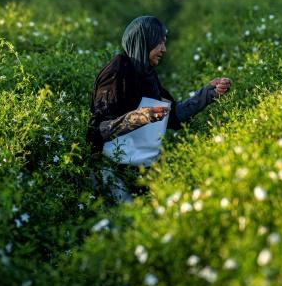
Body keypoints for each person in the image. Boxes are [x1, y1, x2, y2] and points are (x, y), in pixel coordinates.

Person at [87, 15, 231, 201]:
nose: (164, 49)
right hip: (112, 169)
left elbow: (173, 115)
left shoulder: (147, 75)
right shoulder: (117, 71)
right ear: (144, 41)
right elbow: (98, 128)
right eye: (159, 43)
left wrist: (208, 93)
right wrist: (137, 117)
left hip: (139, 166)